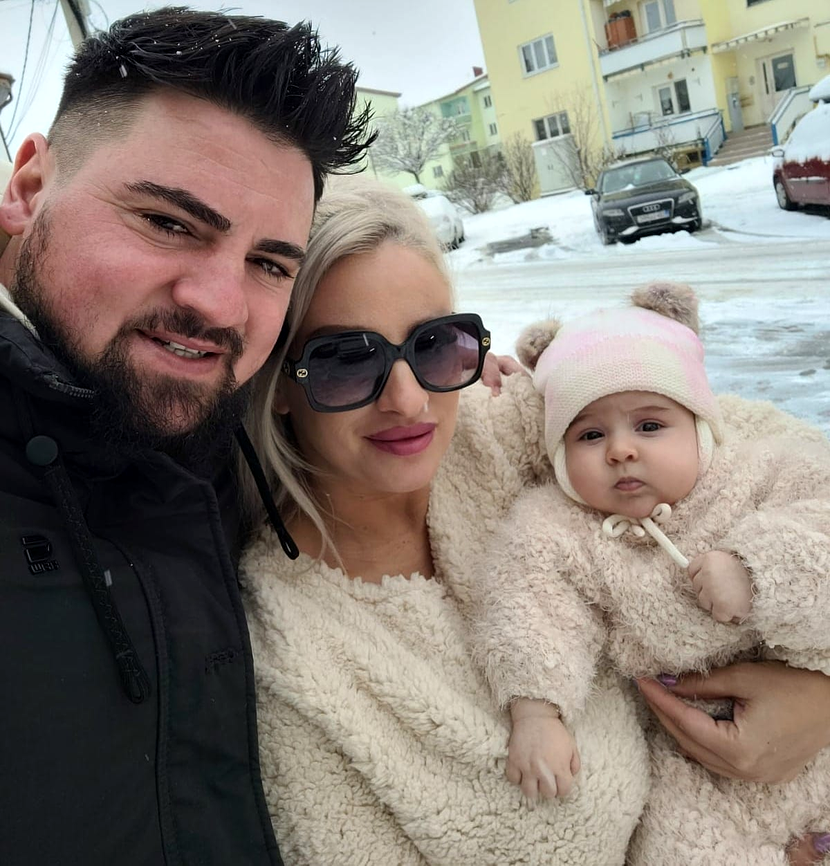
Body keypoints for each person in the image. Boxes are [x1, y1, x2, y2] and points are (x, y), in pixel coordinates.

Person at [0, 9, 372, 865]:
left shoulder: (229, 432)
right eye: (168, 223)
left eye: (269, 263)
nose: (220, 305)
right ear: (28, 187)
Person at [241, 180, 653, 865]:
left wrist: (810, 695)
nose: (408, 402)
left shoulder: (518, 431)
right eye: (347, 360)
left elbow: (768, 474)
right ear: (280, 382)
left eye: (435, 345)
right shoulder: (283, 652)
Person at [471, 283, 830, 865]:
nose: (620, 450)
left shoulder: (759, 475)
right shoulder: (557, 525)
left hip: (808, 717)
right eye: (590, 435)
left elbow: (823, 525)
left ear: (700, 427)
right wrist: (535, 710)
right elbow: (528, 605)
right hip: (687, 757)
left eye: (650, 425)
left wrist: (756, 571)